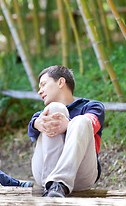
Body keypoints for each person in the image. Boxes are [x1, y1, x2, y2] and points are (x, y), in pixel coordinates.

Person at [28, 65, 105, 197]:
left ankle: (59, 183)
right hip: (44, 174)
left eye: (43, 85)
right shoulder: (41, 114)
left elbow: (92, 124)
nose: (40, 91)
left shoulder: (92, 107)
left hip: (82, 176)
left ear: (61, 82)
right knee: (54, 109)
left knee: (81, 121)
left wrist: (68, 125)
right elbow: (32, 131)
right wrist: (36, 123)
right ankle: (53, 186)